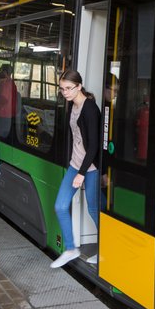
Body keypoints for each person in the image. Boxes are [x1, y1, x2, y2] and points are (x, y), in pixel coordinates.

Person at [50, 70, 102, 269]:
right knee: (60, 206)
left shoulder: (90, 109)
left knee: (93, 208)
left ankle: (106, 248)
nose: (65, 93)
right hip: (75, 164)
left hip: (90, 168)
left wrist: (81, 173)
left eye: (69, 88)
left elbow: (94, 146)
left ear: (79, 86)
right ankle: (71, 249)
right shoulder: (72, 105)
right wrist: (75, 168)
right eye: (62, 89)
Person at [0, 64, 17, 139]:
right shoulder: (10, 83)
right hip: (8, 115)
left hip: (4, 115)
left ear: (5, 72)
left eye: (0, 70)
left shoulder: (6, 84)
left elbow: (4, 99)